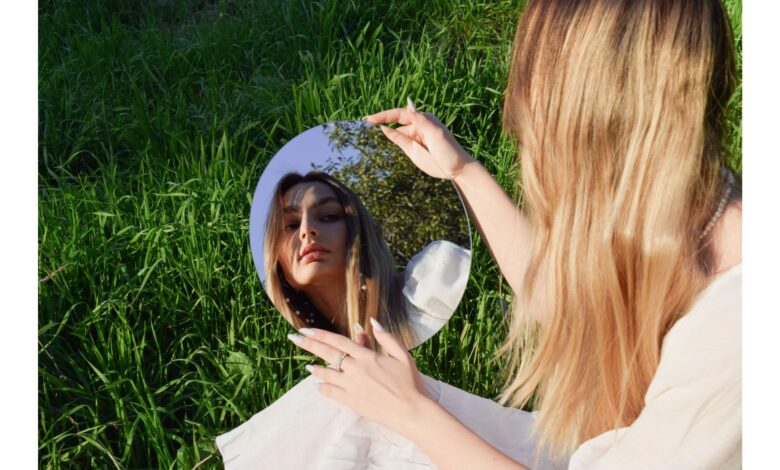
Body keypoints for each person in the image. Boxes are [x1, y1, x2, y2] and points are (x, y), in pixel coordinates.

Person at [288, 0, 742, 468]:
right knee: (341, 408)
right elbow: (567, 301)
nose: (521, 124)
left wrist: (411, 412)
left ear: (598, 127)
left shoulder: (736, 329)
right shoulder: (697, 209)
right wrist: (462, 172)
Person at [263, 171, 470, 349]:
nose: (307, 230)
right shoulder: (293, 357)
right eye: (291, 225)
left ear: (358, 231)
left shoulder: (435, 282)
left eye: (328, 216)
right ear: (275, 258)